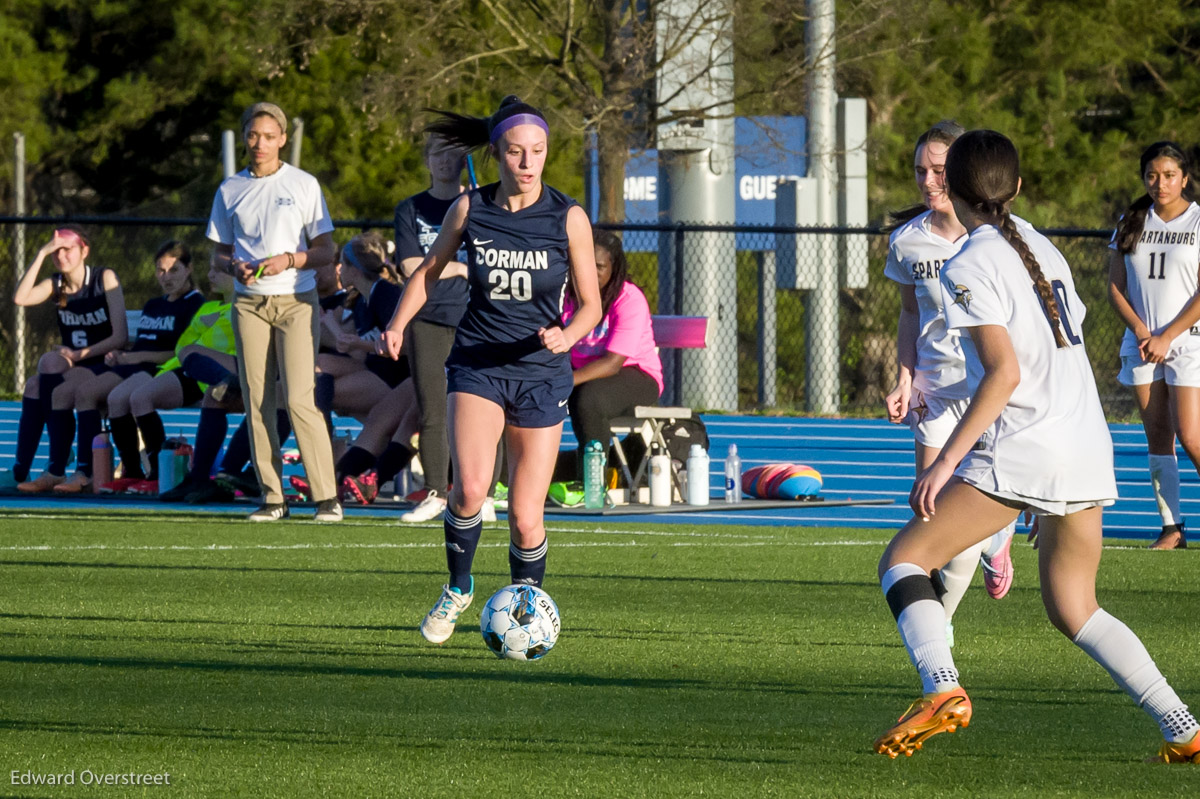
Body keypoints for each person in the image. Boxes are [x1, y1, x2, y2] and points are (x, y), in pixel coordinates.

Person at [874, 129, 1200, 764]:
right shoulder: (1043, 247)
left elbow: (1004, 375)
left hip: (1027, 445)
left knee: (902, 563)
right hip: (1083, 441)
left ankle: (941, 690)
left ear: (955, 190)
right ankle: (1182, 725)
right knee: (1076, 609)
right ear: (1015, 188)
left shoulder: (968, 262)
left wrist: (945, 463)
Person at [380, 95, 602, 644]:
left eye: (539, 152)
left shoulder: (568, 216)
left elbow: (592, 304)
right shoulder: (469, 208)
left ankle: (526, 614)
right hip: (478, 364)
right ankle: (459, 586)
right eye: (517, 152)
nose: (528, 163)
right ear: (498, 154)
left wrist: (567, 334)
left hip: (541, 373)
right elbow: (430, 272)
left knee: (527, 518)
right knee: (470, 491)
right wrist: (398, 323)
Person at [882, 121, 1016, 646]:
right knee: (931, 510)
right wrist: (904, 378)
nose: (929, 180)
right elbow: (910, 314)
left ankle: (942, 624)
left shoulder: (995, 238)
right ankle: (989, 544)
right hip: (936, 394)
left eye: (939, 170)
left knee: (960, 520)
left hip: (986, 393)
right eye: (921, 170)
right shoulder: (908, 241)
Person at [206, 101, 340, 522]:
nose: (259, 143)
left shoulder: (303, 184)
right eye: (252, 135)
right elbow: (218, 256)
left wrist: (289, 260)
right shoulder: (229, 190)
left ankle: (327, 498)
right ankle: (272, 497)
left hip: (297, 302)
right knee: (257, 399)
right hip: (248, 303)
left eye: (268, 136)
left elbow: (326, 250)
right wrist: (235, 268)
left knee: (300, 398)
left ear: (282, 138)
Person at [53, 241, 205, 493]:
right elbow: (142, 342)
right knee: (105, 397)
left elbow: (181, 352)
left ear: (189, 269)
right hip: (133, 366)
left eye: (174, 270)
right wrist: (121, 355)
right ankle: (131, 471)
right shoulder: (154, 305)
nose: (166, 277)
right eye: (161, 271)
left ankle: (156, 470)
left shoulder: (194, 304)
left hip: (163, 369)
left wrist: (136, 357)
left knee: (124, 397)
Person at [1107, 141, 1200, 550]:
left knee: (1191, 434)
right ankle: (1172, 528)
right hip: (1143, 344)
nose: (1159, 183)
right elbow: (1115, 287)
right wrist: (1144, 333)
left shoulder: (1198, 221)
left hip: (1187, 341)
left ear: (1185, 178)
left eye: (1168, 175)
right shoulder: (1131, 220)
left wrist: (1168, 335)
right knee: (1158, 438)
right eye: (1151, 175)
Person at [7, 226, 128, 493]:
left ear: (84, 250)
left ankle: (67, 467)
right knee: (37, 381)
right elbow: (20, 298)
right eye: (56, 250)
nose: (61, 255)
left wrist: (78, 354)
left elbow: (120, 336)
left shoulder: (103, 277)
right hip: (73, 364)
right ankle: (22, 468)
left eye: (68, 249)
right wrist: (41, 253)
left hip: (102, 361)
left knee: (56, 379)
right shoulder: (56, 284)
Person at [392, 134, 473, 522]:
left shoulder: (475, 203)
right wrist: (456, 267)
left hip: (473, 316)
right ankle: (439, 493)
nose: (444, 161)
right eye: (437, 154)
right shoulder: (411, 208)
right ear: (427, 161)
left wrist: (437, 264)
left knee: (482, 409)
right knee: (433, 408)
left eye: (453, 154)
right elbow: (410, 267)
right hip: (427, 316)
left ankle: (483, 494)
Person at [563, 229, 662, 476]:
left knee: (587, 398)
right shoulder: (567, 295)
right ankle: (507, 477)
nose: (590, 272)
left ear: (613, 269)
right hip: (581, 373)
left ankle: (594, 480)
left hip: (636, 375)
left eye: (599, 266)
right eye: (584, 264)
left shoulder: (628, 299)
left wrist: (564, 380)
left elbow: (612, 363)